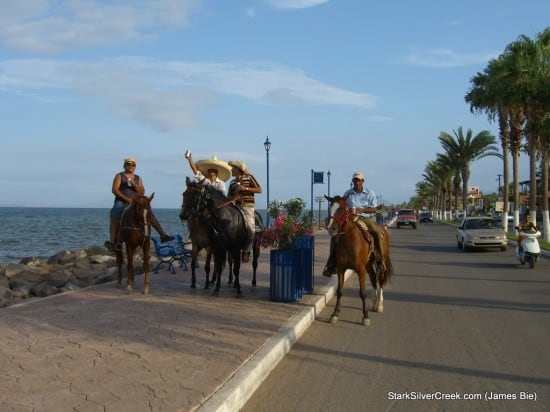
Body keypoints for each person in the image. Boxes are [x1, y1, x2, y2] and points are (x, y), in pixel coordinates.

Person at [323, 171, 386, 276]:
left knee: (375, 231)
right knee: (335, 236)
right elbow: (342, 207)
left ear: (362, 181)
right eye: (355, 180)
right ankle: (331, 264)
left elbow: (374, 209)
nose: (356, 182)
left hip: (364, 218)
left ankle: (379, 260)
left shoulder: (370, 193)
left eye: (358, 180)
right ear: (352, 181)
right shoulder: (347, 193)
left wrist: (360, 211)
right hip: (350, 218)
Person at [105, 157, 174, 252]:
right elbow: (115, 190)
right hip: (121, 200)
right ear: (125, 165)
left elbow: (142, 191)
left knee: (149, 215)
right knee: (116, 216)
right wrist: (127, 199)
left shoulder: (138, 178)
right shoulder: (119, 176)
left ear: (135, 167)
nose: (130, 166)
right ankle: (114, 243)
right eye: (128, 164)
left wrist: (135, 185)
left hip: (136, 202)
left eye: (133, 165)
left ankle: (162, 235)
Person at [227, 160, 262, 263]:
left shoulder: (249, 177)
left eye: (233, 168)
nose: (231, 169)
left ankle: (246, 251)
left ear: (238, 169)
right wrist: (233, 198)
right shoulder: (232, 182)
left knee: (251, 228)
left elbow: (259, 189)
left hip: (247, 207)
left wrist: (245, 188)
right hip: (235, 207)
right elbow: (229, 196)